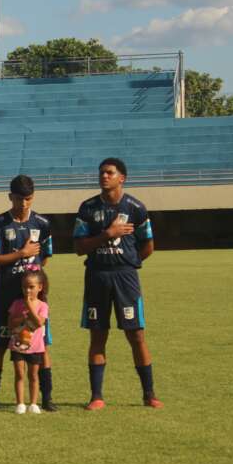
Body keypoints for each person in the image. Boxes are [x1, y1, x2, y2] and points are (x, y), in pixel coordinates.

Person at [74, 158, 162, 410]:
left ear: (122, 178)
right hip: (97, 276)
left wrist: (128, 262)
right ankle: (96, 396)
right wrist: (108, 235)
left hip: (125, 277)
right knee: (98, 335)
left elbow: (148, 246)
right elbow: (79, 247)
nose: (104, 176)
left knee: (136, 335)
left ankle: (149, 394)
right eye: (102, 172)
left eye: (109, 173)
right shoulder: (87, 208)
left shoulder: (136, 208)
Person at [0, 175, 56, 413]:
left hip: (35, 299)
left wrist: (33, 281)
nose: (23, 204)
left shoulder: (42, 224)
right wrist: (21, 254)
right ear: (10, 197)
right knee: (0, 345)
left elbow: (44, 258)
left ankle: (46, 399)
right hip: (7, 297)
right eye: (18, 199)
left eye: (28, 199)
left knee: (42, 345)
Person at [7, 271, 49, 415]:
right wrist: (21, 317)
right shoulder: (16, 304)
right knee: (19, 374)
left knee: (33, 375)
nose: (28, 290)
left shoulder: (43, 306)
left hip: (35, 347)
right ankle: (20, 403)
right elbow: (10, 324)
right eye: (25, 287)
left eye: (31, 287)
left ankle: (33, 403)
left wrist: (29, 306)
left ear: (40, 287)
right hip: (17, 346)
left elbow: (39, 322)